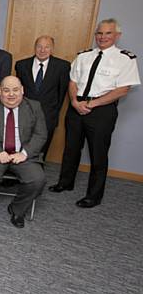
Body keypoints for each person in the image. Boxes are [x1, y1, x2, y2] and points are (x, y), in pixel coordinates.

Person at [49, 18, 140, 208]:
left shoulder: (125, 58)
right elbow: (72, 81)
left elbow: (123, 89)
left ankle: (94, 195)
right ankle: (65, 183)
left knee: (98, 153)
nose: (102, 37)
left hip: (102, 110)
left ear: (117, 36)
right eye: (99, 33)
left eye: (108, 33)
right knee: (71, 148)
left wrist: (92, 104)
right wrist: (75, 101)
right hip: (77, 105)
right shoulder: (84, 55)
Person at [0, 76, 47, 228]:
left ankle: (17, 209)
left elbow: (41, 134)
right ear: (0, 91)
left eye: (15, 90)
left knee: (37, 180)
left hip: (23, 155)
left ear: (22, 90)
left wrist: (24, 153)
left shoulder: (34, 107)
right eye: (6, 90)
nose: (11, 94)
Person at [15, 35, 70, 156]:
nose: (42, 50)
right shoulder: (21, 65)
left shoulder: (63, 67)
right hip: (24, 114)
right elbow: (18, 92)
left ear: (52, 49)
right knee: (21, 148)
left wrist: (53, 114)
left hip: (48, 117)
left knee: (41, 152)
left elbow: (61, 94)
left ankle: (37, 171)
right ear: (35, 47)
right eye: (39, 46)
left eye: (47, 47)